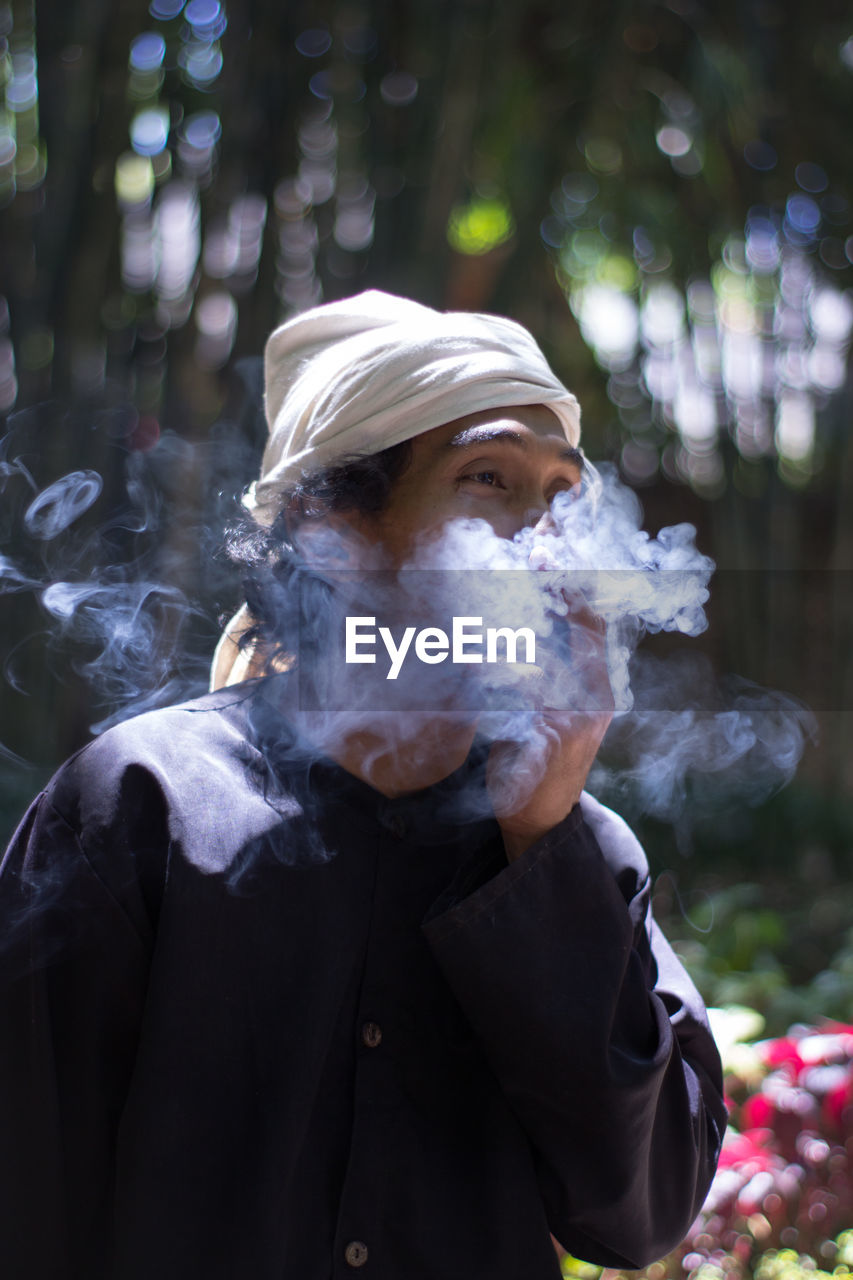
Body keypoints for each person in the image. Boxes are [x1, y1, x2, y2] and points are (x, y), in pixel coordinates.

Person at [0, 291, 725, 1280]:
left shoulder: (572, 844)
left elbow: (638, 1216)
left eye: (564, 495)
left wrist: (543, 836)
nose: (552, 540)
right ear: (333, 533)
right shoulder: (137, 807)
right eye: (489, 478)